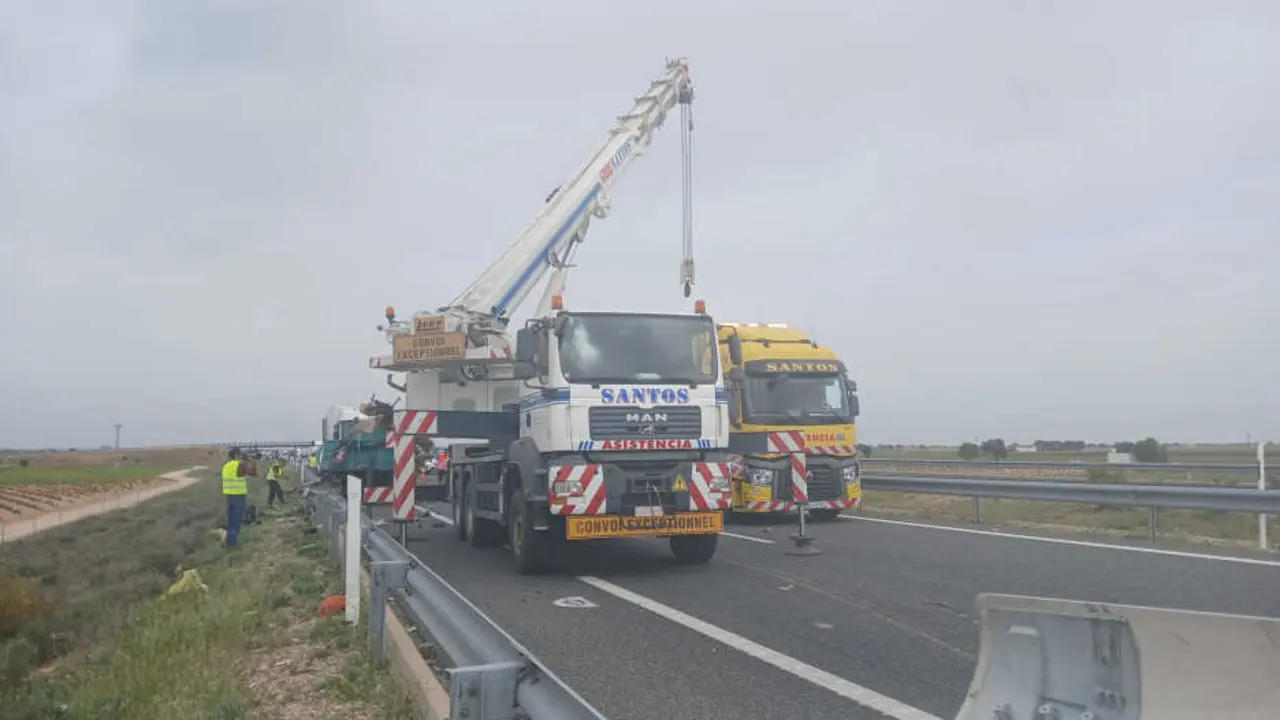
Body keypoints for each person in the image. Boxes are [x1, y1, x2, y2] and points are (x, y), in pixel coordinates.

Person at [220, 448, 250, 549]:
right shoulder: (238, 465)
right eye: (240, 455)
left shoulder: (226, 466)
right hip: (238, 496)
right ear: (237, 455)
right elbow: (251, 472)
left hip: (229, 496)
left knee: (231, 520)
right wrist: (246, 460)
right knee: (237, 521)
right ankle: (231, 545)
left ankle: (228, 540)